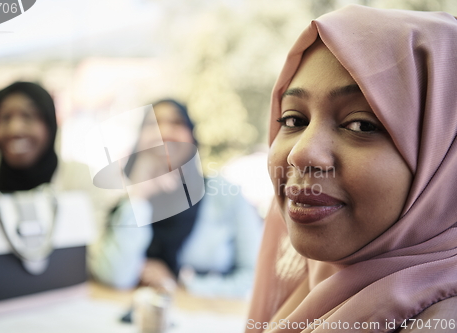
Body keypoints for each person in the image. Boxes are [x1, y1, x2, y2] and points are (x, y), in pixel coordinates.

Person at [246, 5, 457, 333]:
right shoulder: (319, 288)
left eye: (360, 124)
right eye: (293, 120)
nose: (301, 155)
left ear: (444, 160)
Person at [90, 99, 262, 298]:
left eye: (177, 123)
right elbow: (115, 278)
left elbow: (255, 279)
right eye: (153, 124)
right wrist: (138, 198)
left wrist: (179, 284)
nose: (164, 132)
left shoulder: (224, 196)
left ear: (193, 139)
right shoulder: (126, 206)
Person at [0, 81, 115, 226]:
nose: (15, 129)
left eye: (28, 116)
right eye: (5, 118)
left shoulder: (79, 179)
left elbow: (92, 248)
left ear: (50, 125)